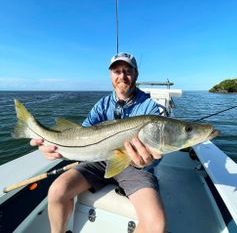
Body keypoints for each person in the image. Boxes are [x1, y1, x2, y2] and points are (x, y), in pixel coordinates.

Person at [30, 52, 166, 233]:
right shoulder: (102, 105)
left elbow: (156, 151)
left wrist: (150, 160)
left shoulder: (149, 107)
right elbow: (81, 135)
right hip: (99, 160)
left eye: (127, 71)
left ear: (136, 74)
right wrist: (53, 147)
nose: (122, 76)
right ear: (111, 75)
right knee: (57, 191)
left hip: (135, 167)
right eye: (116, 71)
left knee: (156, 226)